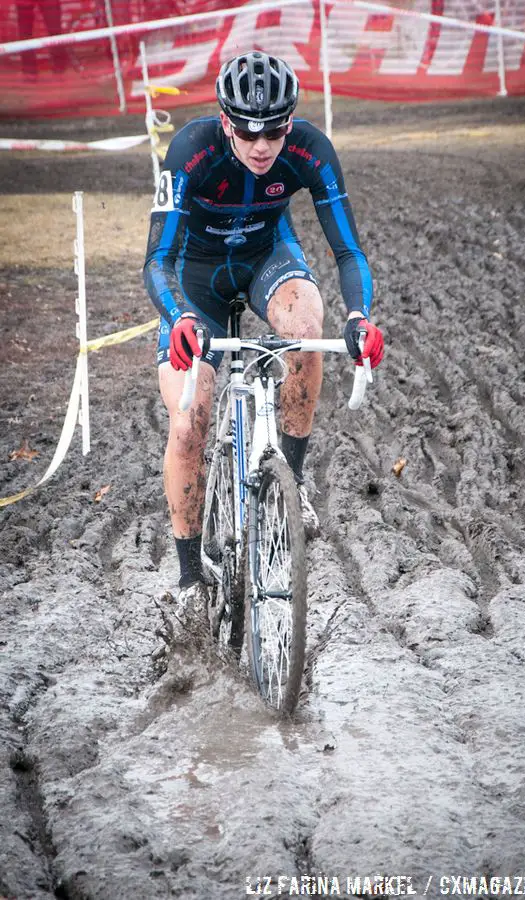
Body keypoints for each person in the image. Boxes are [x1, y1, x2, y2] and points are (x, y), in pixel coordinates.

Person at [143, 50, 384, 600]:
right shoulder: (189, 151)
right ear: (225, 121)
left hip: (265, 260)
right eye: (248, 133)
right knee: (188, 422)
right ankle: (188, 580)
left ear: (290, 122)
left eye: (274, 133)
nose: (261, 147)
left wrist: (359, 317)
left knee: (307, 322)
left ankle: (289, 488)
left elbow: (348, 251)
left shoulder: (310, 150)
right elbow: (155, 259)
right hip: (194, 280)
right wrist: (178, 316)